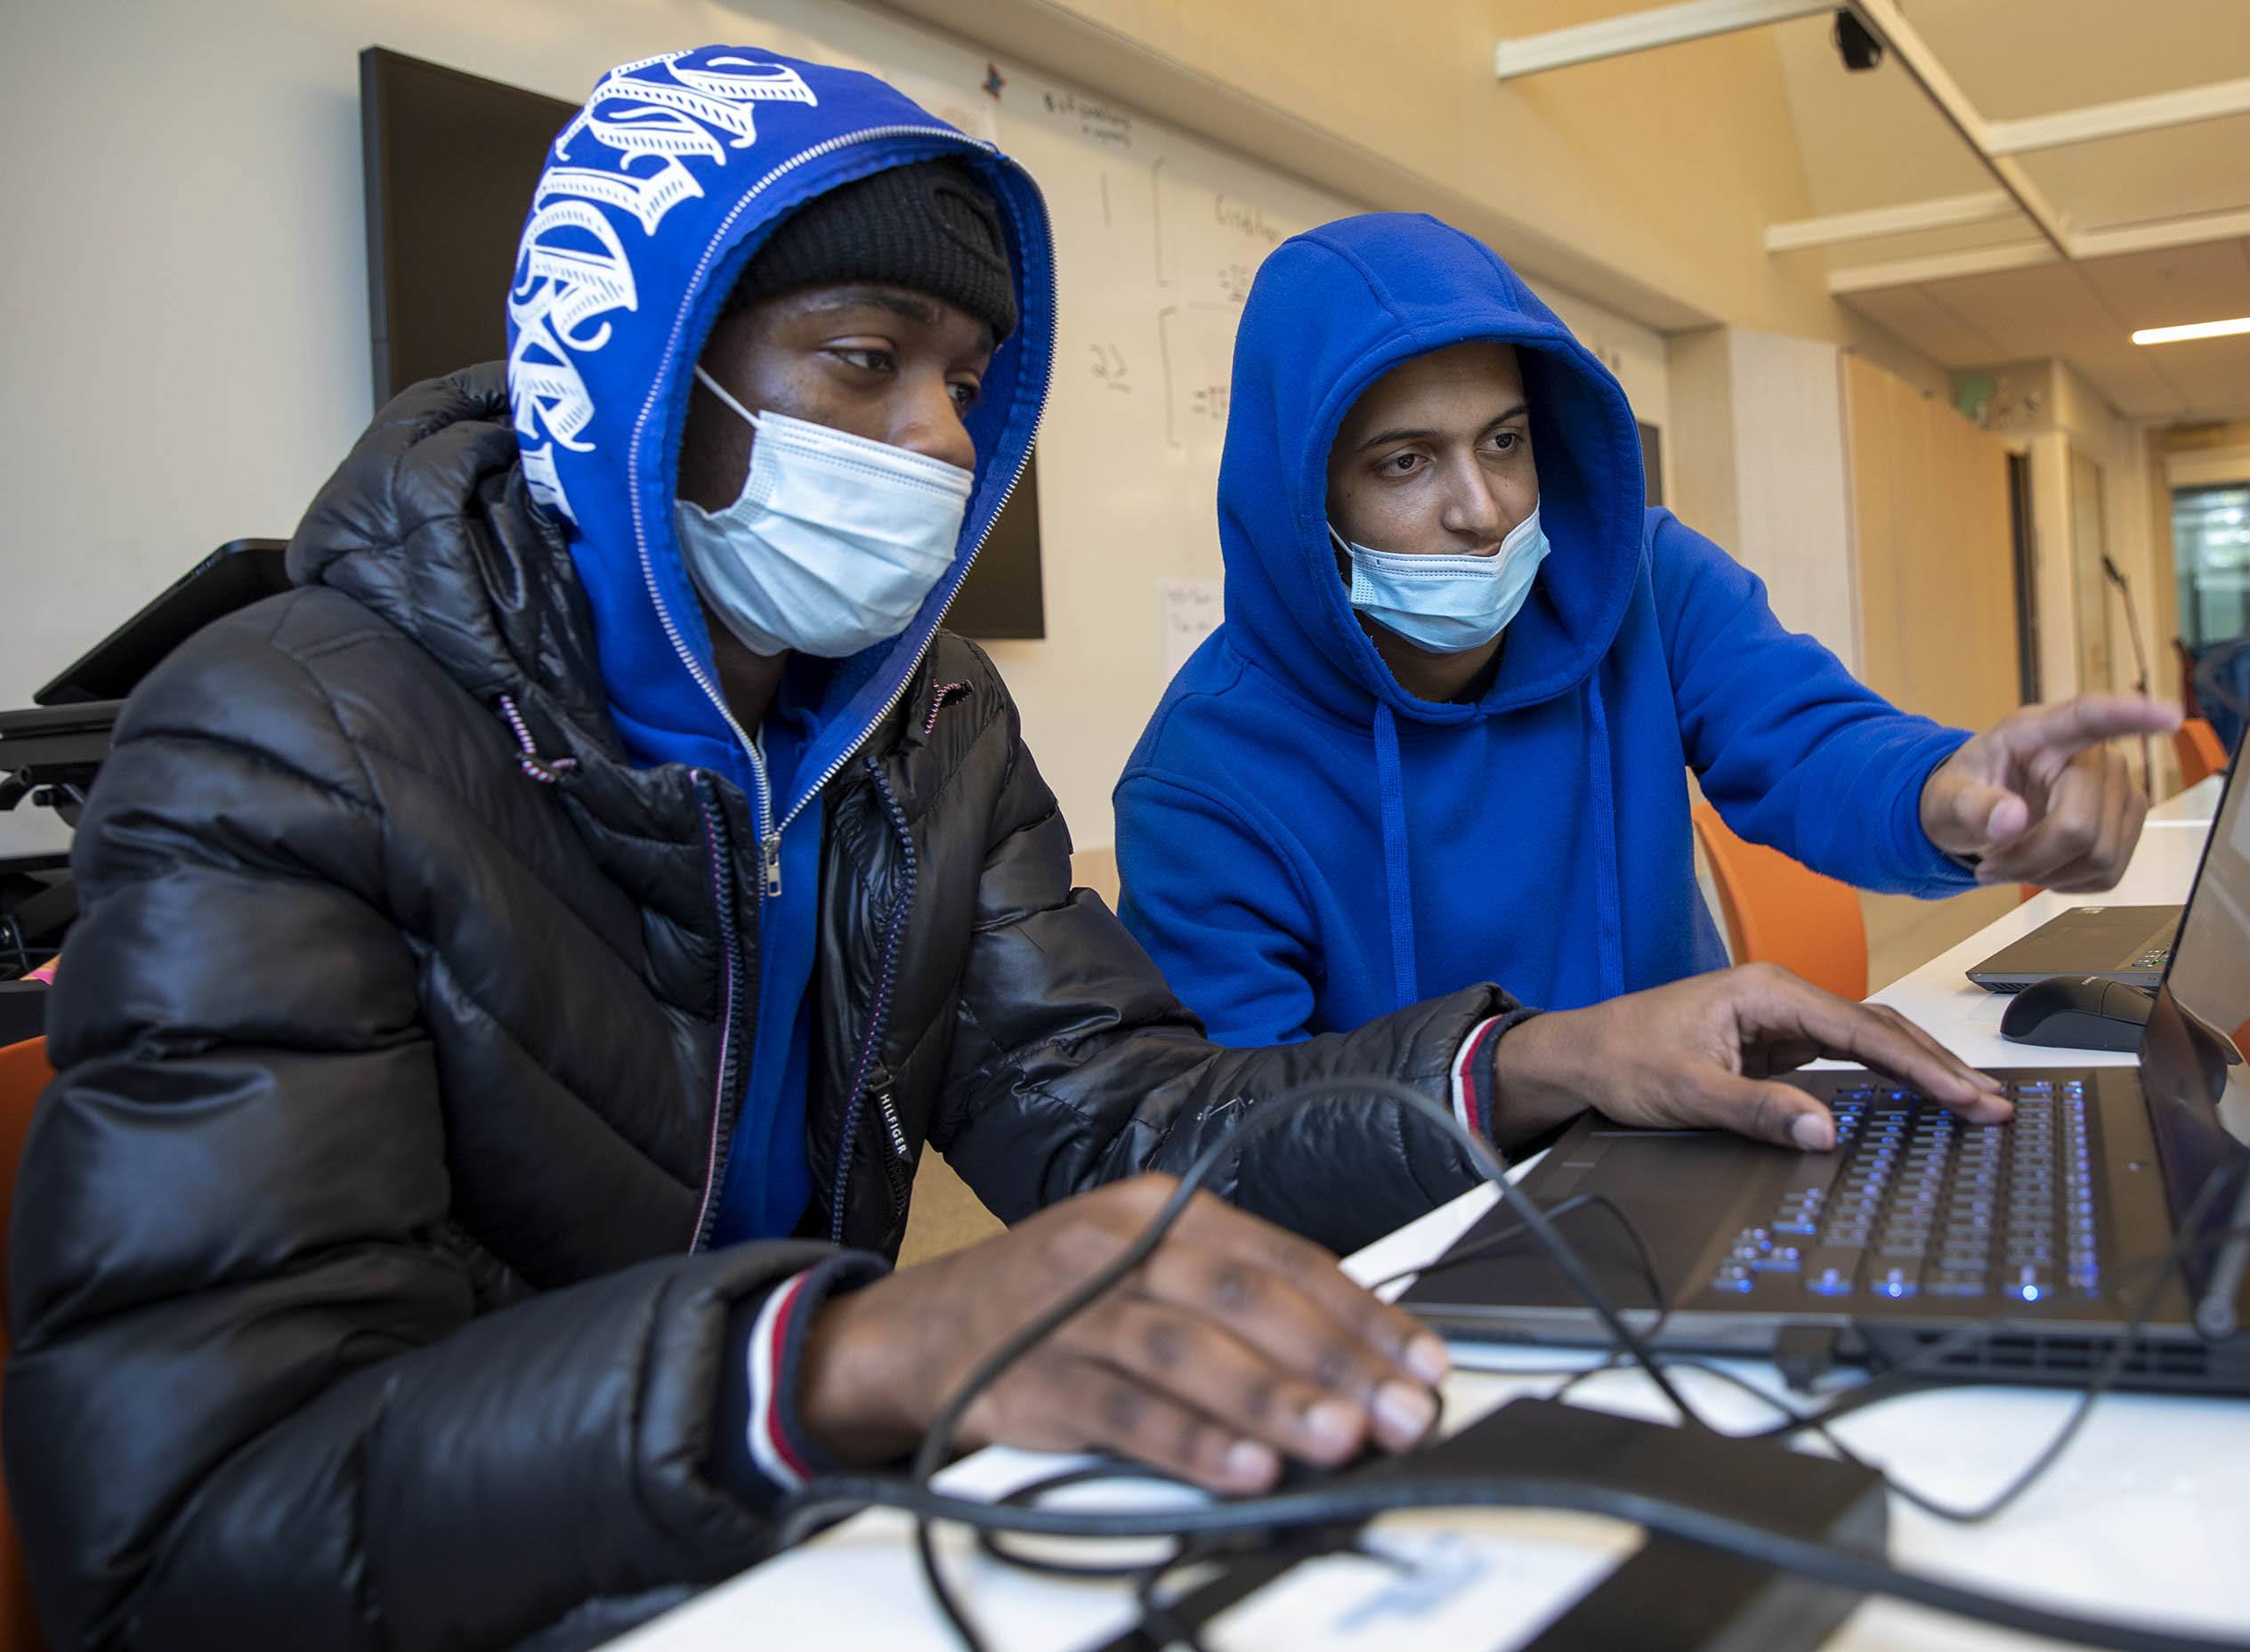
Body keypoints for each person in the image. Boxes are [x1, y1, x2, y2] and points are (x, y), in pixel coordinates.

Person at [5, 51, 2007, 1652]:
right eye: (859, 366)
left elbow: (1131, 1125)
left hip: (787, 1544)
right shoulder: (277, 743)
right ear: (628, 374)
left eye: (963, 385)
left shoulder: (924, 722)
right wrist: (846, 1352)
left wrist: (1532, 1062)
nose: (945, 449)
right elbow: (195, 1530)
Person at [1114, 212, 2181, 1049]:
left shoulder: (1640, 581)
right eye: (1405, 461)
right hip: (1416, 1253)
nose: (1483, 509)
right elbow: (1239, 1137)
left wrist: (1955, 792)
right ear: (1304, 502)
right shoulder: (1202, 780)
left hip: (1683, 1155)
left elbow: (1808, 739)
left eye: (1504, 440)